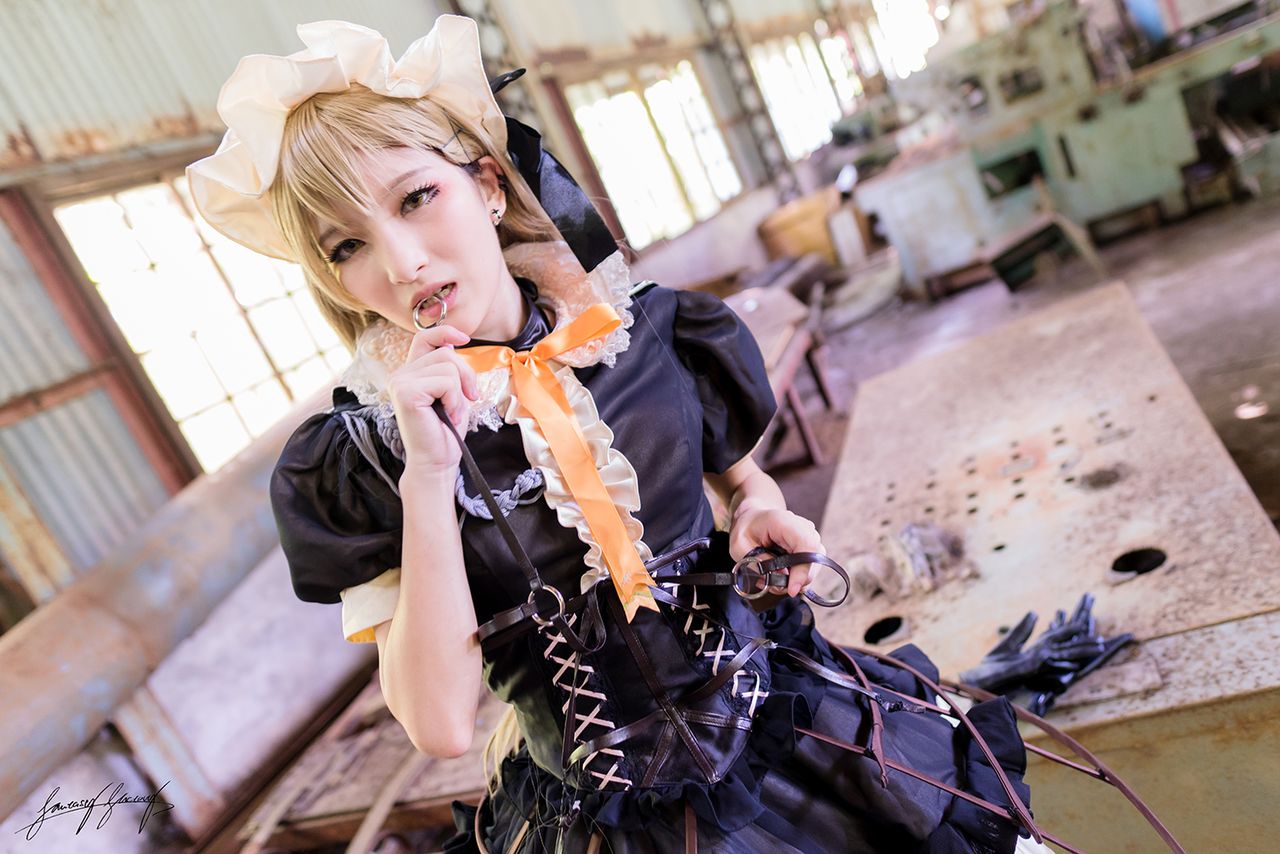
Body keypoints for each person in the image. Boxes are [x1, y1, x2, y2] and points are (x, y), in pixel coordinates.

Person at [188, 15, 1052, 853]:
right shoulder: (364, 459)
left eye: (417, 198)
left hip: (792, 725)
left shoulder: (650, 330)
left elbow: (741, 480)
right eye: (346, 247)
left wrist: (757, 507)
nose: (402, 262)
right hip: (608, 817)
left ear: (488, 184)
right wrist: (426, 473)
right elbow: (441, 724)